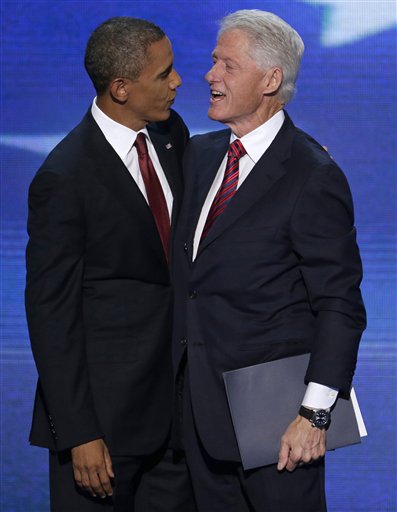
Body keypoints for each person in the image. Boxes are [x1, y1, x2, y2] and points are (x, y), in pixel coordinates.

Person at [172, 9, 366, 512]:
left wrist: (315, 414)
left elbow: (340, 304)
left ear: (270, 79)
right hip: (198, 414)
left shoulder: (312, 173)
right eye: (214, 61)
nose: (210, 75)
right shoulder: (199, 155)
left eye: (227, 65)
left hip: (277, 422)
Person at [25, 16, 195, 512]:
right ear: (121, 88)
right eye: (163, 74)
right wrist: (79, 433)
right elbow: (50, 314)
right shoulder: (64, 177)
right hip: (103, 434)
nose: (177, 81)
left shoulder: (170, 134)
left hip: (177, 426)